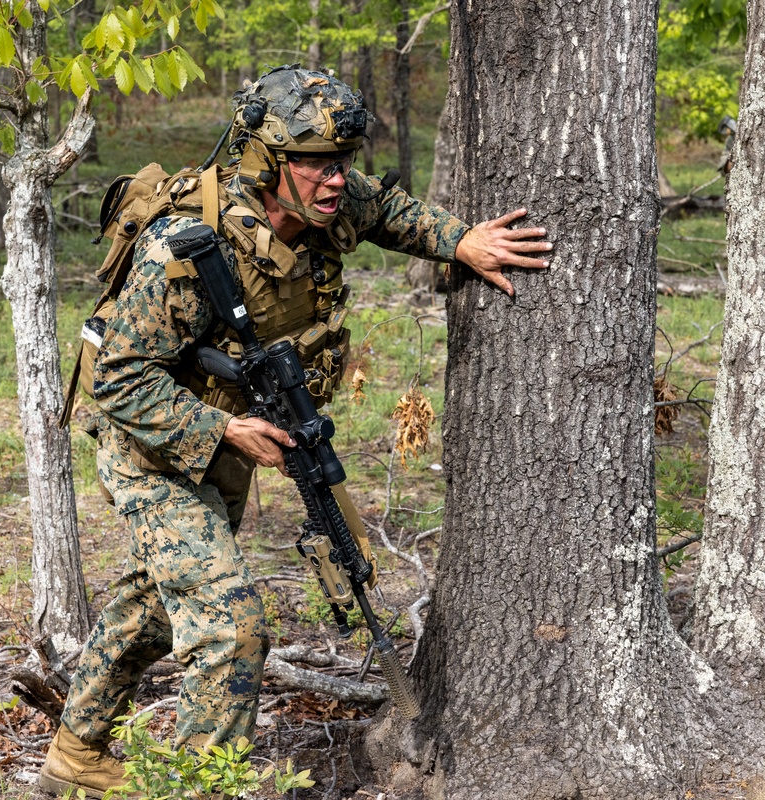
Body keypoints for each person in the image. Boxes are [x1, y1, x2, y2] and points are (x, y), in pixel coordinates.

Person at [39, 64, 553, 798]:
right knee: (231, 626)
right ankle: (199, 788)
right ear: (268, 161)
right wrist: (223, 429)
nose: (337, 179)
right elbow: (118, 377)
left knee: (153, 603)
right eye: (316, 164)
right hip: (154, 449)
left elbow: (393, 213)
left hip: (226, 438)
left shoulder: (330, 202)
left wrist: (463, 242)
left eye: (342, 161)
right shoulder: (186, 250)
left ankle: (75, 755)